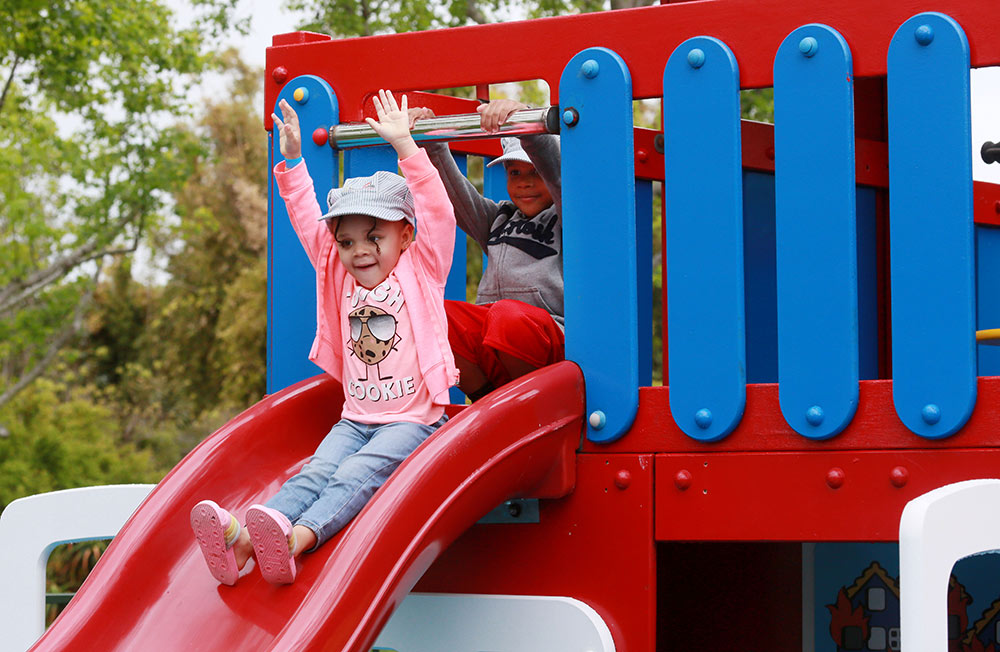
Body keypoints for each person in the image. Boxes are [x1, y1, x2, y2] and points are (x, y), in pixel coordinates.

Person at [189, 89, 458, 586]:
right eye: (347, 240)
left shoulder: (423, 270)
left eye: (373, 237)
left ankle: (296, 539)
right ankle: (244, 544)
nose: (359, 251)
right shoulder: (338, 273)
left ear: (405, 235)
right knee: (315, 473)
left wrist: (406, 147)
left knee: (354, 477)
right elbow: (307, 220)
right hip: (355, 419)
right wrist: (292, 160)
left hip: (414, 422)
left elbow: (439, 214)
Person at [413, 99, 564, 401]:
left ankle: (529, 403)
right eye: (515, 173)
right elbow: (456, 197)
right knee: (431, 314)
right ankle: (486, 401)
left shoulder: (569, 216)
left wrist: (527, 126)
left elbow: (557, 172)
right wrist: (432, 144)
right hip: (495, 340)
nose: (524, 184)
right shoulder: (498, 218)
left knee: (506, 316)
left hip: (545, 341)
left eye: (534, 173)